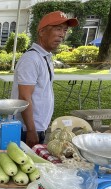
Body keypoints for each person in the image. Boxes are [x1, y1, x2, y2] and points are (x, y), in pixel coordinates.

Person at [10, 11, 78, 148]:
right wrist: (31, 130)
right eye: (58, 29)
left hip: (38, 126)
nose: (62, 35)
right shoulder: (31, 59)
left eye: (65, 30)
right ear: (42, 32)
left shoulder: (45, 56)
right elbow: (24, 97)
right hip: (27, 129)